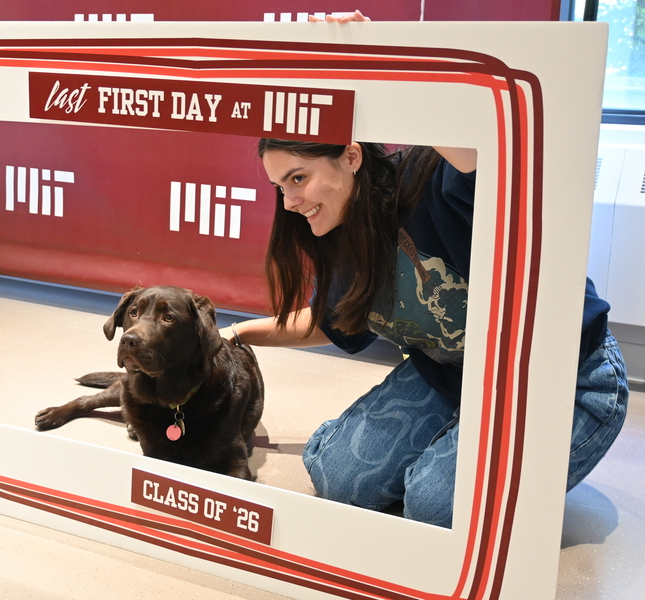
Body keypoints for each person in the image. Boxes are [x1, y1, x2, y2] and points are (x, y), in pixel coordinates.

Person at [219, 135, 630, 528]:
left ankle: (478, 458)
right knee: (338, 478)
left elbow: (487, 151)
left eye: (298, 178)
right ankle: (455, 444)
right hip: (451, 373)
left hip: (560, 379)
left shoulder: (433, 177)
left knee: (433, 506)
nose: (289, 202)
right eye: (280, 186)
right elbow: (329, 320)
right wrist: (236, 334)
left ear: (351, 156)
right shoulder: (342, 231)